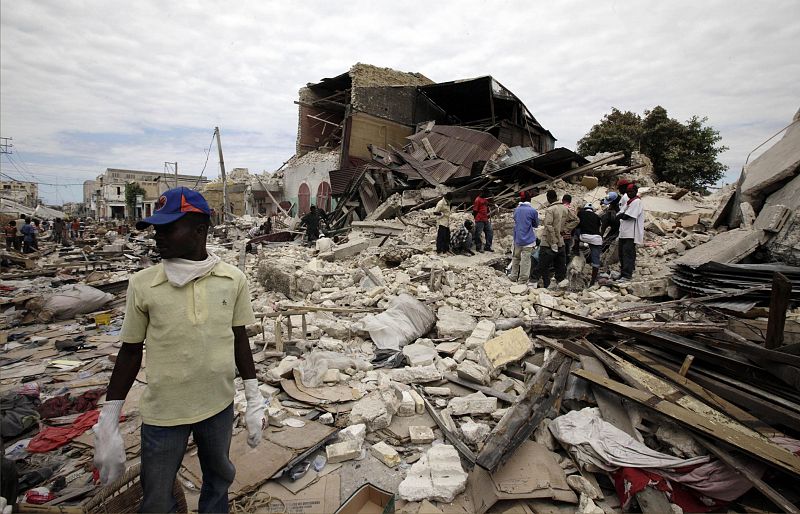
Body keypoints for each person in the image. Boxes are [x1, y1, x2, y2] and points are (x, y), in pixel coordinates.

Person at [93, 187, 265, 513]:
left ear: (200, 230)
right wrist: (109, 419)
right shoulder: (143, 285)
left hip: (218, 407)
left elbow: (239, 338)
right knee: (157, 498)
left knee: (218, 481)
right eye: (157, 229)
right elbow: (130, 352)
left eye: (168, 227)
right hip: (164, 416)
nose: (159, 236)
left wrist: (254, 397)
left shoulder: (233, 280)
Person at [536, 190, 568, 288]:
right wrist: (565, 230)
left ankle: (544, 284)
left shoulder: (551, 209)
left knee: (543, 264)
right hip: (561, 242)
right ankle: (560, 286)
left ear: (548, 198)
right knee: (560, 265)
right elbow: (575, 220)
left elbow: (548, 225)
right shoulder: (565, 208)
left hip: (548, 243)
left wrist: (553, 241)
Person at [509, 191, 539, 284]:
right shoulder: (533, 211)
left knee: (516, 258)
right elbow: (535, 224)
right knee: (526, 260)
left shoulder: (516, 210)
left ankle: (513, 276)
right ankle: (522, 279)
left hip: (517, 238)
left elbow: (515, 220)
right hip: (528, 240)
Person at [617, 184, 645, 282]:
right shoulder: (629, 202)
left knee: (627, 253)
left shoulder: (637, 201)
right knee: (621, 253)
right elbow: (621, 213)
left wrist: (620, 216)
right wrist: (620, 215)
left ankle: (627, 274)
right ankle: (623, 273)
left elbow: (628, 216)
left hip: (631, 233)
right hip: (624, 232)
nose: (629, 194)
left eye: (631, 192)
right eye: (628, 192)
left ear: (635, 191)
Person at [577, 204, 603, 286]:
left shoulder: (581, 213)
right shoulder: (597, 216)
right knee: (596, 260)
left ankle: (575, 249)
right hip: (597, 239)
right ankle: (593, 280)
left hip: (584, 236)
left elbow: (577, 224)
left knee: (576, 229)